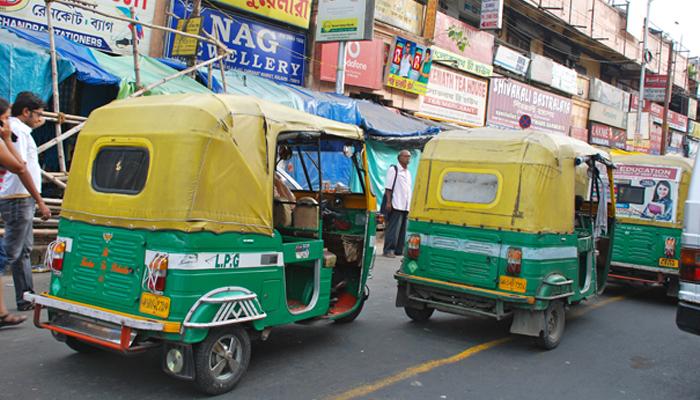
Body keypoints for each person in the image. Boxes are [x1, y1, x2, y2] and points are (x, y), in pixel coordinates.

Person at [0, 97, 50, 327]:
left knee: (22, 251)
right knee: (9, 253)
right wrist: (40, 201)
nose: (41, 119)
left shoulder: (18, 132)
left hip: (20, 197)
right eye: (38, 114)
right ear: (26, 111)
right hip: (18, 197)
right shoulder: (15, 132)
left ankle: (24, 297)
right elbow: (19, 166)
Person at [383, 150, 412, 258]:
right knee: (393, 229)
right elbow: (388, 188)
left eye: (409, 157)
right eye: (406, 156)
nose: (408, 159)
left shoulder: (408, 173)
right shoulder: (394, 169)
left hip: (405, 205)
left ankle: (399, 250)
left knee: (402, 230)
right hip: (396, 203)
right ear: (399, 157)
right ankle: (388, 250)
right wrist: (389, 202)